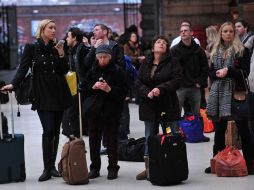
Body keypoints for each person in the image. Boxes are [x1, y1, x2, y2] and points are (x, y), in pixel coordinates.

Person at [1, 19, 73, 181]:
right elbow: (23, 68)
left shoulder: (58, 48)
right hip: (42, 94)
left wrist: (62, 54)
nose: (54, 30)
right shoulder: (32, 48)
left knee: (55, 131)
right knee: (48, 130)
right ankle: (47, 168)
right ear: (42, 30)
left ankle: (52, 167)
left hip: (59, 92)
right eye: (50, 28)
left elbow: (64, 70)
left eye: (55, 27)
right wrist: (13, 84)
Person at [205, 21, 254, 175]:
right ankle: (216, 163)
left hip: (236, 94)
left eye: (231, 31)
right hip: (218, 95)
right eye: (225, 31)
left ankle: (251, 164)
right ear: (221, 33)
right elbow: (211, 73)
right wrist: (217, 74)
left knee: (244, 131)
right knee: (219, 131)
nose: (228, 34)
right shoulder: (214, 51)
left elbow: (244, 72)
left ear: (235, 34)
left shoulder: (242, 50)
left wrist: (229, 71)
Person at [135, 35, 182, 180]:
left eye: (164, 43)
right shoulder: (146, 62)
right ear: (153, 46)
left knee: (169, 134)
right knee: (150, 135)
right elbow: (138, 81)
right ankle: (150, 168)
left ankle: (172, 166)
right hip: (149, 106)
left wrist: (160, 88)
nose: (161, 44)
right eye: (158, 42)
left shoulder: (173, 62)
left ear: (167, 48)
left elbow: (177, 80)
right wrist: (146, 92)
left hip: (167, 106)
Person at [82, 44, 128, 180]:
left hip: (112, 110)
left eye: (105, 57)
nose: (102, 60)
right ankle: (94, 167)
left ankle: (113, 167)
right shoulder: (92, 71)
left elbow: (124, 92)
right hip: (94, 111)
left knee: (112, 140)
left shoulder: (118, 71)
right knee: (93, 140)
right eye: (100, 57)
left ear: (110, 57)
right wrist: (93, 86)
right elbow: (83, 89)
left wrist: (109, 89)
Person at [170, 22, 210, 142]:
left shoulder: (198, 50)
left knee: (196, 113)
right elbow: (171, 68)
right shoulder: (174, 50)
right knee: (176, 112)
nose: (183, 32)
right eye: (181, 31)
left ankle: (197, 134)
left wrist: (200, 82)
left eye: (186, 30)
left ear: (191, 33)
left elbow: (205, 68)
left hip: (195, 86)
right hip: (180, 87)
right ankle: (176, 136)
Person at [62, 27, 89, 137]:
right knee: (72, 111)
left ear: (74, 38)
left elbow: (85, 67)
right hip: (73, 83)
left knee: (74, 111)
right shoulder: (71, 50)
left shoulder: (81, 50)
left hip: (81, 85)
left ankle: (77, 135)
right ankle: (75, 134)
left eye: (68, 37)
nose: (66, 39)